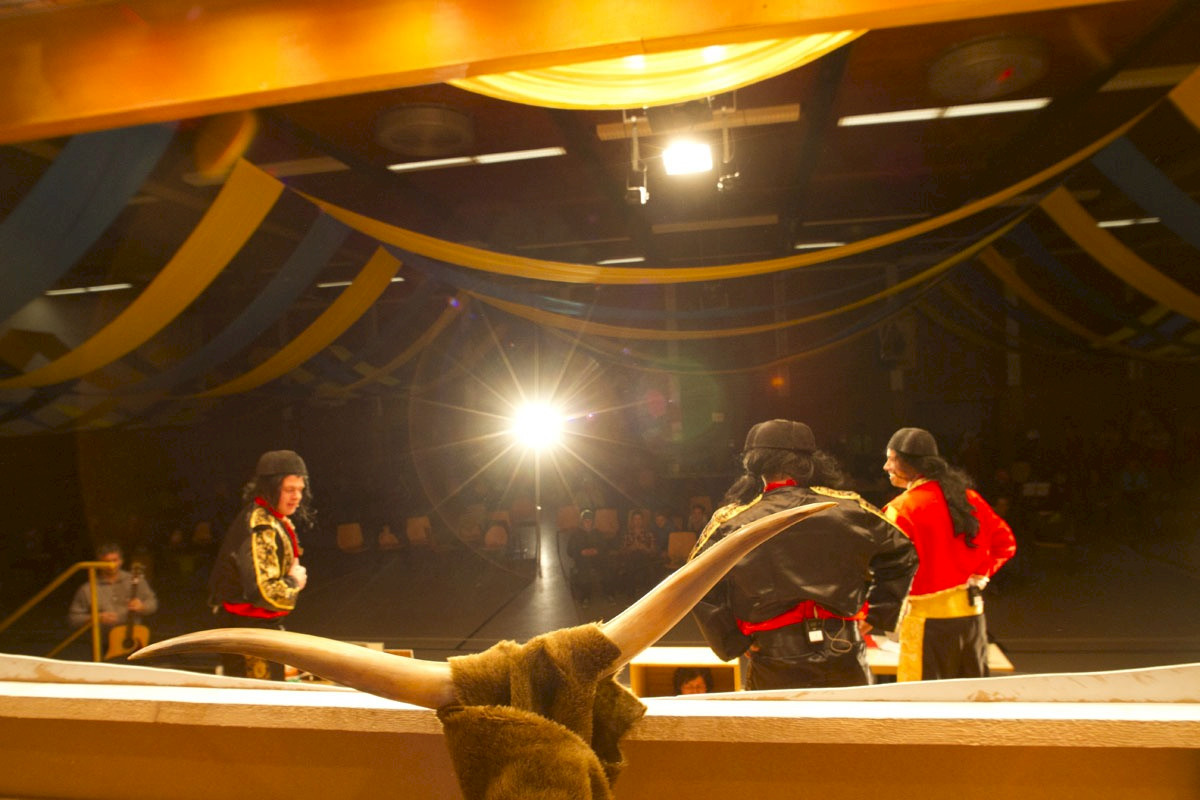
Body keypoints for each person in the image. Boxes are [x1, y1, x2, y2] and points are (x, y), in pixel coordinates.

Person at [690, 419, 918, 690]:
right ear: (810, 462)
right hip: (844, 649)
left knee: (777, 720)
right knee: (847, 718)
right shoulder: (848, 508)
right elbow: (902, 552)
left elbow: (695, 581)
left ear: (755, 463)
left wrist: (733, 641)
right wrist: (878, 614)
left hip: (772, 654)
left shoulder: (732, 521)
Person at [882, 427, 1016, 682]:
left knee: (924, 699)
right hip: (972, 619)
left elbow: (886, 572)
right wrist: (981, 573)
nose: (886, 466)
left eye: (891, 459)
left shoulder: (902, 509)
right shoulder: (969, 499)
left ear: (909, 464)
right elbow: (1005, 543)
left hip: (925, 623)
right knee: (968, 695)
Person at [208, 450, 311, 680]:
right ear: (271, 488)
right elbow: (264, 592)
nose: (297, 496)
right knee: (258, 697)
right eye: (290, 489)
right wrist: (294, 581)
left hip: (256, 628)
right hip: (248, 631)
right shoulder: (261, 526)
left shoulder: (271, 518)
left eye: (300, 490)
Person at [67, 542, 158, 659]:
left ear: (121, 561)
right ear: (99, 563)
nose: (111, 565)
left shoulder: (135, 580)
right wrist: (96, 617)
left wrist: (143, 606)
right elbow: (73, 619)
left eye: (115, 560)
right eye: (107, 562)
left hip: (135, 641)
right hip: (103, 644)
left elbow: (153, 603)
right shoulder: (87, 588)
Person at [565, 509, 609, 606]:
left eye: (590, 521)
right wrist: (581, 552)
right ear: (582, 521)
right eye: (586, 521)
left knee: (607, 568)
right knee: (584, 571)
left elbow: (604, 547)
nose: (588, 523)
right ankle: (585, 596)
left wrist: (597, 551)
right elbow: (570, 550)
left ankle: (608, 593)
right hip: (582, 560)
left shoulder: (597, 533)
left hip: (597, 559)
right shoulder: (576, 534)